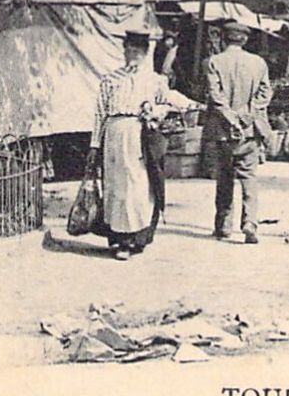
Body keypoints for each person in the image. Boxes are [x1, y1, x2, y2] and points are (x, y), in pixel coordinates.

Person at [90, 31, 197, 261]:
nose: (133, 54)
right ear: (124, 50)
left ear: (146, 53)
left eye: (138, 50)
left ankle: (135, 238)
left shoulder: (154, 80)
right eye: (129, 49)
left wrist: (183, 106)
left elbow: (168, 100)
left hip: (137, 134)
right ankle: (118, 237)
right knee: (115, 185)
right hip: (113, 134)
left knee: (136, 185)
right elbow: (99, 114)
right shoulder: (111, 79)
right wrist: (94, 145)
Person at [204, 22, 273, 244]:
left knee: (224, 177)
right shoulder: (258, 63)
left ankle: (223, 226)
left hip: (223, 131)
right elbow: (264, 94)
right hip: (250, 130)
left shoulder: (214, 62)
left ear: (224, 39)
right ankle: (250, 223)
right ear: (244, 40)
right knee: (249, 177)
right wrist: (246, 115)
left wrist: (231, 118)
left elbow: (216, 97)